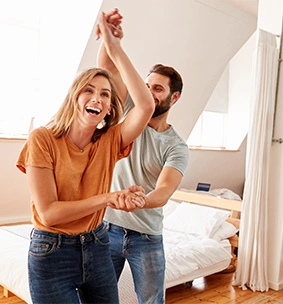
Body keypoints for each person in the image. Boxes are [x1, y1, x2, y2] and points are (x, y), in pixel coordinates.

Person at [15, 12, 154, 304]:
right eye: (88, 91)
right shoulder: (43, 139)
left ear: (108, 109)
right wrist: (107, 198)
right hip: (52, 252)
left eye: (105, 95)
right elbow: (50, 213)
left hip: (97, 244)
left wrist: (114, 46)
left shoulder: (110, 140)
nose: (97, 98)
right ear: (74, 98)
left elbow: (144, 106)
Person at [98, 9, 189, 304]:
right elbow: (108, 71)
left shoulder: (176, 147)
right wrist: (109, 38)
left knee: (151, 301)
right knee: (99, 298)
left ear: (174, 98)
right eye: (147, 86)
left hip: (146, 237)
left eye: (158, 89)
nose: (148, 94)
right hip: (107, 227)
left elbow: (163, 192)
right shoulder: (129, 111)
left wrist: (137, 200)